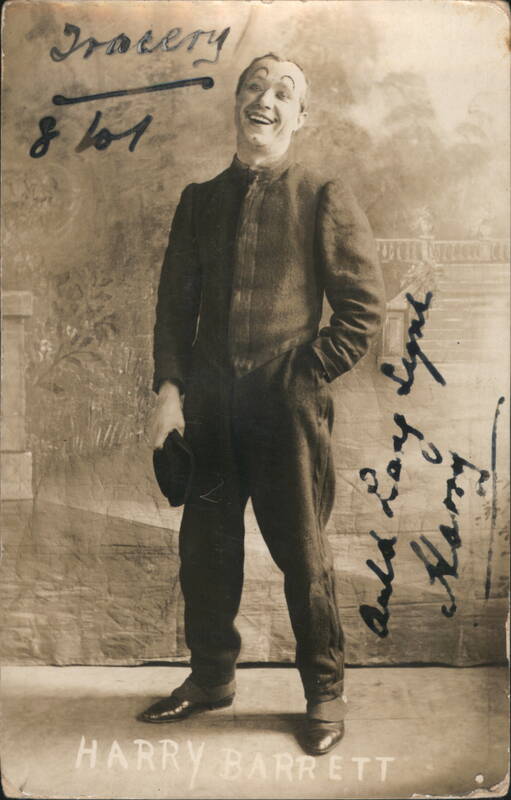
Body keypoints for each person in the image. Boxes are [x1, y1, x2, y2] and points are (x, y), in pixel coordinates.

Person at [142, 53, 385, 756]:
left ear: (299, 117)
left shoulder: (321, 194)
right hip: (209, 412)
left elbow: (361, 312)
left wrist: (302, 375)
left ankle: (323, 695)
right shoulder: (199, 200)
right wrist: (169, 392)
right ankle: (211, 679)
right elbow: (171, 312)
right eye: (255, 87)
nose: (266, 100)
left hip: (286, 415)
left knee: (303, 559)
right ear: (238, 104)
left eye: (283, 93)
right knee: (207, 554)